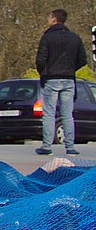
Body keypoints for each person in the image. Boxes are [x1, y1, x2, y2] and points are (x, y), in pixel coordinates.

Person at [35, 8, 88, 157]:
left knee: (49, 114)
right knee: (67, 114)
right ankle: (70, 147)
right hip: (68, 79)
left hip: (51, 79)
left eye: (49, 17)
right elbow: (82, 60)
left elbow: (40, 59)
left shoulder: (47, 37)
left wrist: (44, 73)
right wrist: (70, 69)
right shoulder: (74, 38)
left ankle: (46, 146)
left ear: (54, 19)